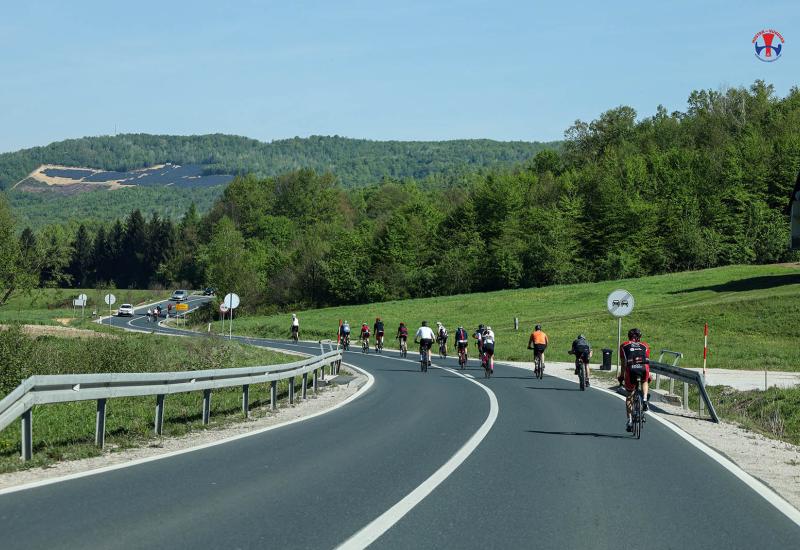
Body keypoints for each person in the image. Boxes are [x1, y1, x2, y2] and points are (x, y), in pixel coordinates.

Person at [618, 328, 652, 432]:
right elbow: (646, 361)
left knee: (629, 396)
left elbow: (623, 364)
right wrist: (649, 375)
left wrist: (622, 376)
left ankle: (629, 420)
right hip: (643, 368)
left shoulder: (624, 345)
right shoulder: (645, 345)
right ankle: (645, 399)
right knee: (645, 381)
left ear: (629, 337)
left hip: (631, 369)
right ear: (639, 337)